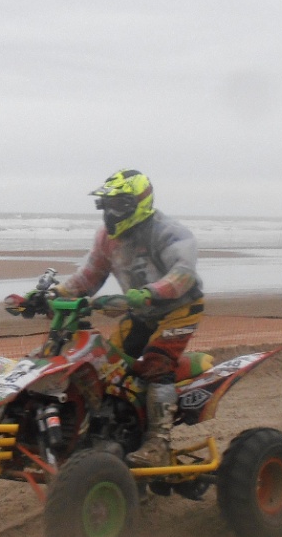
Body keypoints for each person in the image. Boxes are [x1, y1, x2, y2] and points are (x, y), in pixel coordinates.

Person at [52, 168, 204, 467]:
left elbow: (184, 274)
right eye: (106, 205)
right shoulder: (107, 238)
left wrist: (150, 292)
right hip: (140, 313)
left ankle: (157, 443)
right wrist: (53, 294)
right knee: (107, 367)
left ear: (140, 203)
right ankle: (108, 433)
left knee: (155, 366)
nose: (110, 213)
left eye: (119, 205)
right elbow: (88, 278)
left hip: (178, 310)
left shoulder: (169, 232)